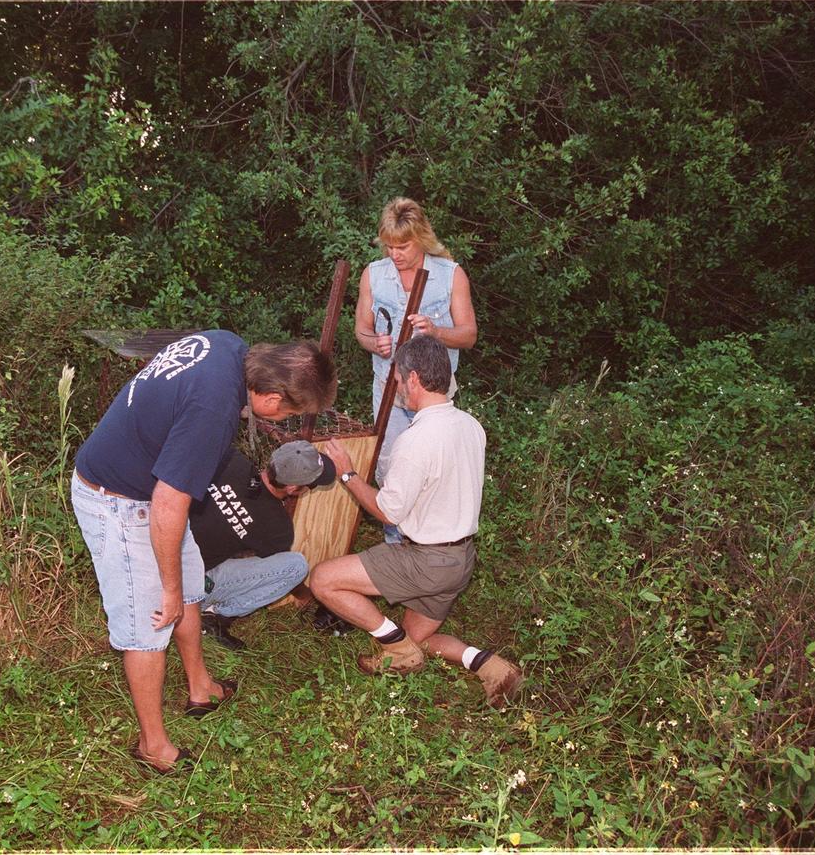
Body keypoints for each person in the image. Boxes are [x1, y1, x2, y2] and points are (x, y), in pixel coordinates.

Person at [71, 331, 336, 774]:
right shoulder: (213, 413)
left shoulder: (228, 346)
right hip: (120, 499)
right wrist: (167, 590)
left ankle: (200, 687)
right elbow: (167, 504)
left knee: (192, 587)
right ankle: (152, 745)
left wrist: (180, 587)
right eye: (292, 412)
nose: (288, 419)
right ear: (272, 397)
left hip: (148, 490)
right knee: (150, 620)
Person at [310, 334, 521, 709]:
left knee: (323, 580)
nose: (398, 390)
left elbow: (388, 512)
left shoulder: (418, 439)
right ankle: (494, 668)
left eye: (398, 381)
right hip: (460, 561)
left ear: (414, 380)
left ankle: (394, 648)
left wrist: (348, 474)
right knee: (417, 639)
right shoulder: (470, 425)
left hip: (425, 562)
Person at [355, 197, 478, 543]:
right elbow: (361, 330)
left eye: (403, 246)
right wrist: (372, 342)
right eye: (389, 246)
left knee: (437, 468)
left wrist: (436, 332)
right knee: (391, 466)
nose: (395, 254)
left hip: (434, 391)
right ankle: (396, 546)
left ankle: (431, 544)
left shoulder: (450, 275)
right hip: (390, 390)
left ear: (421, 237)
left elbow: (469, 335)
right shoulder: (373, 275)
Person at [190, 440, 336, 651]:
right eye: (310, 485)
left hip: (154, 551)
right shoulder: (277, 527)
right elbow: (273, 570)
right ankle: (213, 614)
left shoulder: (231, 460)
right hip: (190, 583)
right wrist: (307, 596)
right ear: (293, 488)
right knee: (295, 566)